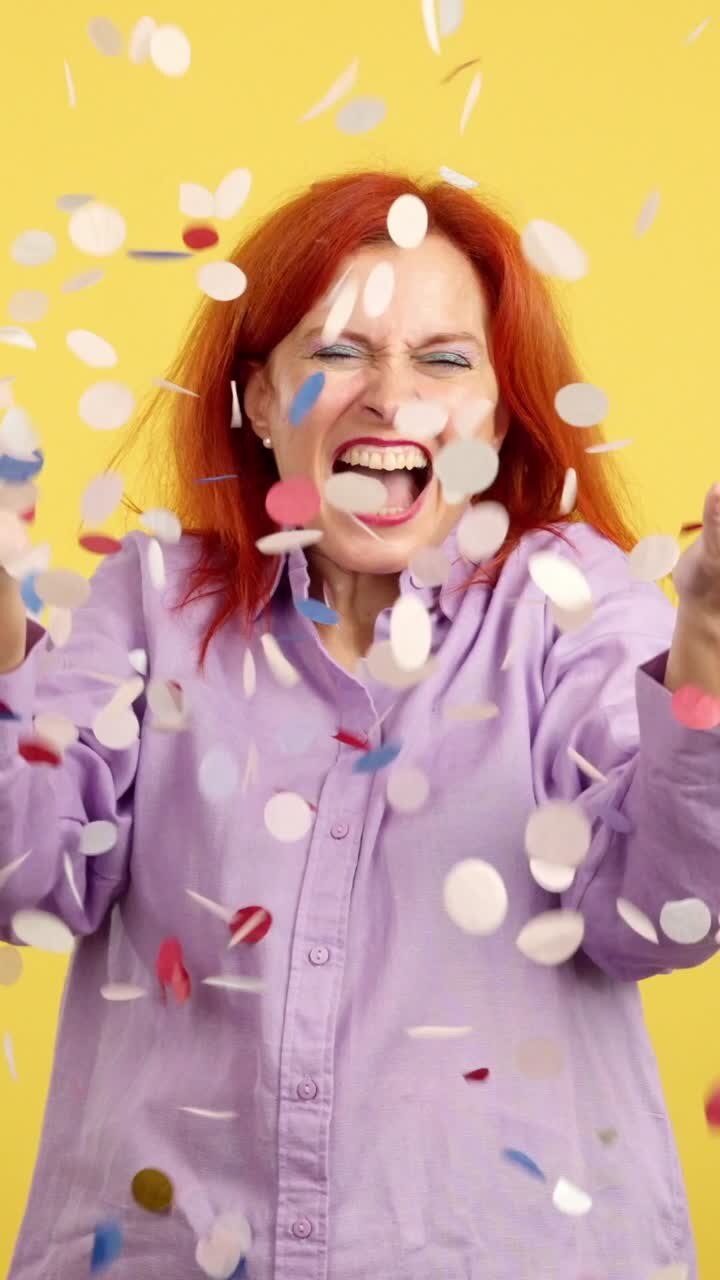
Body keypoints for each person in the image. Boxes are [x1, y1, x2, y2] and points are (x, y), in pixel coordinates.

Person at [1, 169, 719, 1280]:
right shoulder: (153, 599)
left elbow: (665, 914)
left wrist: (707, 664)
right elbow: (27, 877)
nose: (391, 397)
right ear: (254, 396)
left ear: (494, 407)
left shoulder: (566, 603)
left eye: (444, 357)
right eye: (335, 351)